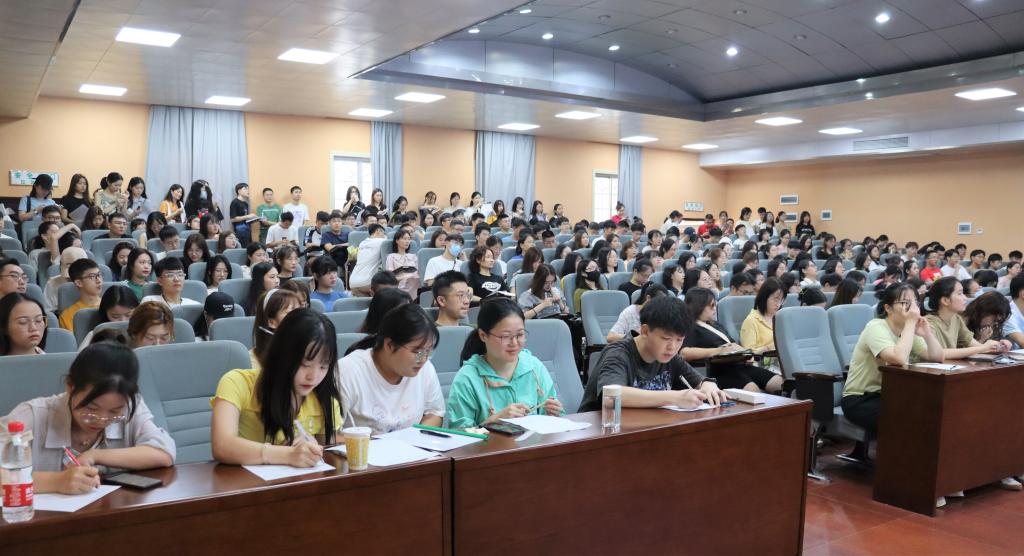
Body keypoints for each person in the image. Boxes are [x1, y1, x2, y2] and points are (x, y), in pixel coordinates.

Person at [2, 342, 175, 494]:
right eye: (91, 408)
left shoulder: (130, 407)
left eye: (114, 412)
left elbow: (163, 453)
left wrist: (95, 455)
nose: (101, 420)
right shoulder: (31, 416)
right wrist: (56, 481)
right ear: (70, 387)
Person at [211, 310, 340, 466]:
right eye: (304, 364)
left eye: (323, 366)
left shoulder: (323, 398)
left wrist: (313, 449)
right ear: (281, 354)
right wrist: (288, 455)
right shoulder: (237, 383)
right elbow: (222, 446)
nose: (313, 376)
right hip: (243, 480)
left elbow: (328, 454)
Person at [841, 284, 943, 467]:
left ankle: (928, 470)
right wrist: (910, 324)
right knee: (909, 416)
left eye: (915, 302)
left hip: (890, 395)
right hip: (860, 399)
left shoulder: (907, 330)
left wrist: (927, 334)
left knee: (932, 409)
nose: (912, 308)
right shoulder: (876, 327)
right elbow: (898, 358)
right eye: (905, 302)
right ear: (888, 308)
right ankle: (900, 471)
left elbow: (937, 356)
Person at [579, 296, 726, 412]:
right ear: (645, 331)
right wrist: (675, 397)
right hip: (602, 431)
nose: (672, 347)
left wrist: (708, 384)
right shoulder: (618, 353)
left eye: (679, 340)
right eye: (666, 338)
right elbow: (611, 397)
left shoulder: (670, 357)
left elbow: (700, 381)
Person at [446, 298, 562, 428]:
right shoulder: (468, 378)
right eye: (505, 336)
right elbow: (460, 434)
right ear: (483, 335)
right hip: (490, 442)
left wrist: (552, 414)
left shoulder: (534, 366)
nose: (514, 343)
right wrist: (493, 421)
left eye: (520, 335)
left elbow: (551, 419)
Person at [338, 304, 446, 434]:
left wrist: (414, 438)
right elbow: (328, 436)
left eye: (428, 351)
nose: (423, 359)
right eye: (416, 351)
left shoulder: (425, 369)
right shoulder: (348, 371)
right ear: (389, 345)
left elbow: (434, 413)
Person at [681, 288, 783, 393]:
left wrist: (747, 354)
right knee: (752, 389)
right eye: (711, 305)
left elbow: (732, 344)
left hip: (739, 364)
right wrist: (718, 351)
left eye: (715, 305)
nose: (715, 308)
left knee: (779, 383)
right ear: (699, 306)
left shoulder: (715, 325)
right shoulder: (690, 327)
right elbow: (684, 353)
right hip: (719, 371)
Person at [923, 277, 1006, 360]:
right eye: (960, 294)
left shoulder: (956, 319)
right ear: (945, 300)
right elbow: (938, 353)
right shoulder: (928, 323)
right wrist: (983, 348)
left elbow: (975, 346)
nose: (965, 298)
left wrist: (999, 346)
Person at [251, 288, 303, 368]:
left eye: (300, 311)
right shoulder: (251, 361)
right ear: (271, 322)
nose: (300, 317)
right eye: (290, 312)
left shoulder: (307, 349)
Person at [740, 277, 784, 354]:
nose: (778, 304)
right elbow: (748, 354)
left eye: (781, 300)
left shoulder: (781, 318)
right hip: (764, 361)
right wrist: (769, 348)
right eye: (776, 299)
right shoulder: (751, 321)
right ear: (764, 297)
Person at [59, 258, 104, 332]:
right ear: (79, 283)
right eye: (92, 276)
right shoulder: (68, 315)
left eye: (99, 275)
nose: (99, 280)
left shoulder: (110, 305)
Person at [349, 224, 388, 296]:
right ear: (378, 231)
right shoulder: (382, 241)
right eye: (383, 233)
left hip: (353, 283)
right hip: (368, 282)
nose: (384, 235)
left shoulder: (362, 243)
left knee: (366, 303)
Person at [385, 229, 420, 300]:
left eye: (409, 239)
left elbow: (418, 272)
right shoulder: (391, 257)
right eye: (404, 239)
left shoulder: (413, 256)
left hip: (414, 285)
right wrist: (406, 277)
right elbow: (390, 277)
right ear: (397, 241)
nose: (407, 241)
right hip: (398, 286)